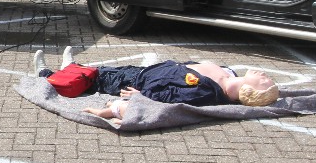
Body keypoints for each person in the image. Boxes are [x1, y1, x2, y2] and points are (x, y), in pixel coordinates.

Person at [33, 47, 279, 119]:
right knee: (102, 72)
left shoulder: (208, 92)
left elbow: (174, 97)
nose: (264, 74)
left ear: (251, 91)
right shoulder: (228, 74)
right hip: (148, 72)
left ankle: (45, 74)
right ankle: (70, 66)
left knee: (95, 79)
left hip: (141, 81)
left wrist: (143, 96)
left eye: (264, 80)